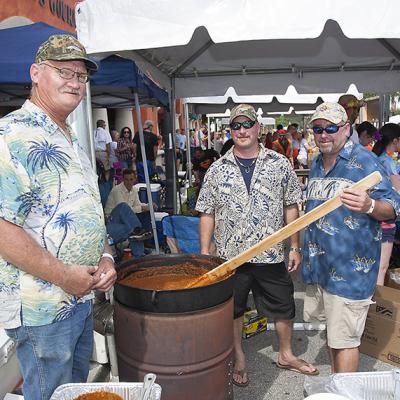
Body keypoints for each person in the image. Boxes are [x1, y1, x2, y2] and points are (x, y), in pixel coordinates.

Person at [0, 34, 117, 400]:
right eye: (63, 71)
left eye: (81, 76)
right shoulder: (12, 135)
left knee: (74, 393)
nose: (74, 81)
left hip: (80, 299)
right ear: (36, 73)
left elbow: (86, 211)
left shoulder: (69, 136)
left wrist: (106, 256)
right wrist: (65, 276)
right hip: (43, 308)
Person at [196, 104, 318, 388]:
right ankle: (239, 357)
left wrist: (295, 246)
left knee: (284, 304)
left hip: (270, 253)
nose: (241, 131)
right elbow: (207, 211)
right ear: (230, 130)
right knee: (233, 308)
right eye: (236, 126)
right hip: (231, 256)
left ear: (257, 128)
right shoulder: (217, 169)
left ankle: (286, 354)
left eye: (246, 124)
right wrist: (205, 251)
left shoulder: (279, 163)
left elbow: (291, 206)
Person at [302, 102, 400, 373]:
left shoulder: (366, 161)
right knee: (335, 335)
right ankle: (338, 387)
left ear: (346, 129)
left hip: (350, 271)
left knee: (345, 341)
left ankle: (344, 392)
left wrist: (369, 205)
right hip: (321, 268)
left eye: (331, 128)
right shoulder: (317, 163)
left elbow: (393, 207)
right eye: (318, 128)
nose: (323, 134)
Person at [372, 123, 400, 285]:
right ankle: (376, 305)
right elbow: (398, 190)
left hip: (373, 214)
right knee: (382, 267)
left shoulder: (374, 158)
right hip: (386, 217)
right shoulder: (388, 162)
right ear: (395, 140)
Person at [105, 169, 154, 258]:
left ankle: (139, 255)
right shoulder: (117, 190)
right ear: (123, 180)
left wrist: (148, 206)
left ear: (134, 179)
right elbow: (127, 209)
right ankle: (139, 231)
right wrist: (142, 208)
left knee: (132, 231)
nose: (128, 182)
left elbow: (137, 205)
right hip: (112, 220)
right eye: (126, 179)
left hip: (125, 222)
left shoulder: (134, 190)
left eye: (131, 179)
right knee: (123, 206)